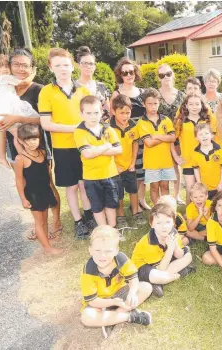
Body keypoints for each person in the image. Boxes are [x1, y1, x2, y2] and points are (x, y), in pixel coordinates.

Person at [0, 47, 61, 240]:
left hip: (38, 144)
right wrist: (2, 153)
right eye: (16, 64)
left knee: (46, 183)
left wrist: (18, 118)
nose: (21, 69)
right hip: (13, 145)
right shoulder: (4, 91)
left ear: (32, 68)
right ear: (9, 66)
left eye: (25, 65)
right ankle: (39, 223)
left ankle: (56, 219)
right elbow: (0, 122)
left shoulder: (39, 90)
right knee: (25, 184)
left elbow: (45, 120)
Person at [39, 48, 95, 240]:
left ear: (72, 65)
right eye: (57, 65)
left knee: (84, 184)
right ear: (51, 68)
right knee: (71, 187)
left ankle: (89, 216)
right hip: (63, 148)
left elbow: (91, 118)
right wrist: (76, 128)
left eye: (65, 64)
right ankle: (78, 221)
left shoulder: (83, 90)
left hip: (84, 145)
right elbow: (46, 124)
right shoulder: (46, 92)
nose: (62, 69)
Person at [80, 225, 152, 339]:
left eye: (108, 251)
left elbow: (133, 279)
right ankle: (129, 316)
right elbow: (93, 301)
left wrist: (132, 292)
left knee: (146, 287)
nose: (102, 255)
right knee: (86, 317)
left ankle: (111, 319)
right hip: (101, 302)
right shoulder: (88, 271)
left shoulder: (121, 259)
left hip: (120, 293)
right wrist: (114, 302)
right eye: (97, 250)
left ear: (116, 251)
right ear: (90, 250)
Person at [14, 124, 63, 255]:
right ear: (21, 141)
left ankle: (46, 242)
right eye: (28, 140)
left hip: (45, 191)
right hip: (33, 194)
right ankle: (47, 248)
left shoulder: (43, 152)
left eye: (35, 139)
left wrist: (51, 188)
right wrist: (23, 199)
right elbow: (19, 180)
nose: (33, 142)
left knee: (45, 219)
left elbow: (47, 174)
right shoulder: (20, 159)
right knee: (39, 221)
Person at [74, 96, 122, 227]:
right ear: (81, 114)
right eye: (88, 113)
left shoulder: (108, 129)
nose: (92, 116)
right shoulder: (79, 132)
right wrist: (106, 146)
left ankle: (112, 229)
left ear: (101, 112)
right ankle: (102, 229)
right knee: (97, 206)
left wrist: (96, 149)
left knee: (111, 205)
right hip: (92, 177)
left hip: (110, 174)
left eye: (96, 112)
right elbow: (87, 154)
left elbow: (118, 149)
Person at [0, 54, 39, 166]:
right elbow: (24, 83)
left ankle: (2, 157)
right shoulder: (4, 78)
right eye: (0, 66)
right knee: (16, 132)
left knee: (3, 134)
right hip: (5, 109)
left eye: (6, 66)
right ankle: (23, 154)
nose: (5, 69)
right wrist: (33, 73)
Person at [131, 203, 195, 298]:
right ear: (151, 224)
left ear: (173, 223)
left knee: (188, 256)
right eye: (158, 223)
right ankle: (177, 275)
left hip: (163, 260)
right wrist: (170, 249)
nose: (164, 226)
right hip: (144, 267)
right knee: (157, 276)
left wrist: (174, 245)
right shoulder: (148, 242)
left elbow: (180, 256)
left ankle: (160, 282)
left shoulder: (173, 232)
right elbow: (161, 269)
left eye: (167, 222)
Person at [111, 57, 150, 211]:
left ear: (135, 73)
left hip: (141, 135)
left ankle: (140, 200)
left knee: (140, 170)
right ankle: (127, 202)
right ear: (120, 74)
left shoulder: (142, 92)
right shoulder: (116, 93)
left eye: (131, 72)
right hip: (124, 136)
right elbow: (112, 115)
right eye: (124, 72)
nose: (128, 75)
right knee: (127, 170)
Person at [172, 93, 217, 203]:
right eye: (191, 104)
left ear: (201, 105)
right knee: (190, 189)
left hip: (204, 160)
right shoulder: (180, 122)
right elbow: (171, 140)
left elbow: (213, 138)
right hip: (188, 161)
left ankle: (206, 214)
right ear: (186, 106)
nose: (194, 107)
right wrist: (176, 157)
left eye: (197, 104)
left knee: (204, 189)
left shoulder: (208, 120)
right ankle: (189, 215)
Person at [110, 94, 146, 227]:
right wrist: (114, 166)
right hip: (115, 168)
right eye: (121, 113)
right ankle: (120, 215)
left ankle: (136, 212)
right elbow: (107, 148)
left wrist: (132, 162)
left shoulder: (133, 125)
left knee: (133, 190)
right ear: (113, 111)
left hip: (129, 166)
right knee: (118, 193)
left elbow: (135, 143)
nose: (125, 116)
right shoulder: (109, 128)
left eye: (128, 112)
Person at [137, 88, 176, 205]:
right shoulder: (142, 122)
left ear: (159, 103)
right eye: (150, 104)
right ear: (144, 104)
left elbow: (173, 138)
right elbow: (148, 143)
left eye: (156, 103)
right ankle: (157, 209)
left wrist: (156, 136)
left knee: (165, 186)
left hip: (166, 162)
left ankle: (166, 208)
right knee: (154, 187)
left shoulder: (166, 119)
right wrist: (165, 137)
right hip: (152, 163)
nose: (153, 107)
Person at [157, 64, 186, 205]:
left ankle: (177, 194)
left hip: (178, 137)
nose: (166, 77)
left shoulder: (181, 95)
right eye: (162, 75)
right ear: (159, 78)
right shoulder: (156, 94)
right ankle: (165, 195)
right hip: (161, 137)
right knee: (164, 166)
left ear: (173, 74)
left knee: (175, 166)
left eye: (168, 74)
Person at [192, 123, 222, 200]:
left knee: (219, 206)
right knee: (207, 208)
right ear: (196, 138)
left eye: (206, 133)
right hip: (205, 188)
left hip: (219, 187)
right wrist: (199, 183)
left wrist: (221, 183)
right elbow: (196, 169)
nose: (204, 136)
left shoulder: (219, 150)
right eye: (200, 134)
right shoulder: (195, 153)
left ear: (212, 135)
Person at [76, 46, 110, 120]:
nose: (88, 66)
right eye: (85, 63)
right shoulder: (73, 87)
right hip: (79, 127)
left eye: (91, 64)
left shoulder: (101, 87)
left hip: (100, 127)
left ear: (94, 66)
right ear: (79, 65)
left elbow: (107, 111)